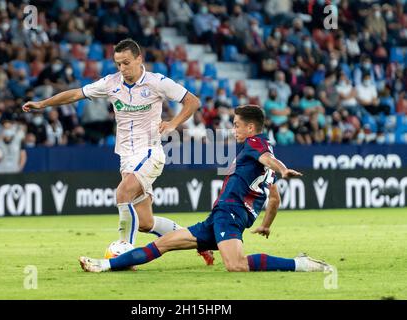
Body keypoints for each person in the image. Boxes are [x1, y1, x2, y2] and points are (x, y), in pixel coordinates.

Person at [22, 39, 214, 265]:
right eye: (118, 64)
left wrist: (173, 123)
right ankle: (200, 241)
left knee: (122, 193)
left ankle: (124, 251)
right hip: (126, 156)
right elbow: (75, 94)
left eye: (126, 63)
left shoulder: (157, 82)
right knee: (145, 222)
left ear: (139, 59)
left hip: (150, 153)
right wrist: (42, 104)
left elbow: (192, 101)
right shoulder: (111, 83)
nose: (122, 69)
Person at [79, 105, 332, 273]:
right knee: (163, 244)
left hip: (230, 214)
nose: (233, 129)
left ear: (250, 128)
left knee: (236, 265)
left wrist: (282, 168)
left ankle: (302, 264)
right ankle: (105, 265)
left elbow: (268, 159)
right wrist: (266, 224)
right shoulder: (258, 154)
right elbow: (274, 198)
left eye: (236, 125)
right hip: (219, 217)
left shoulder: (256, 145)